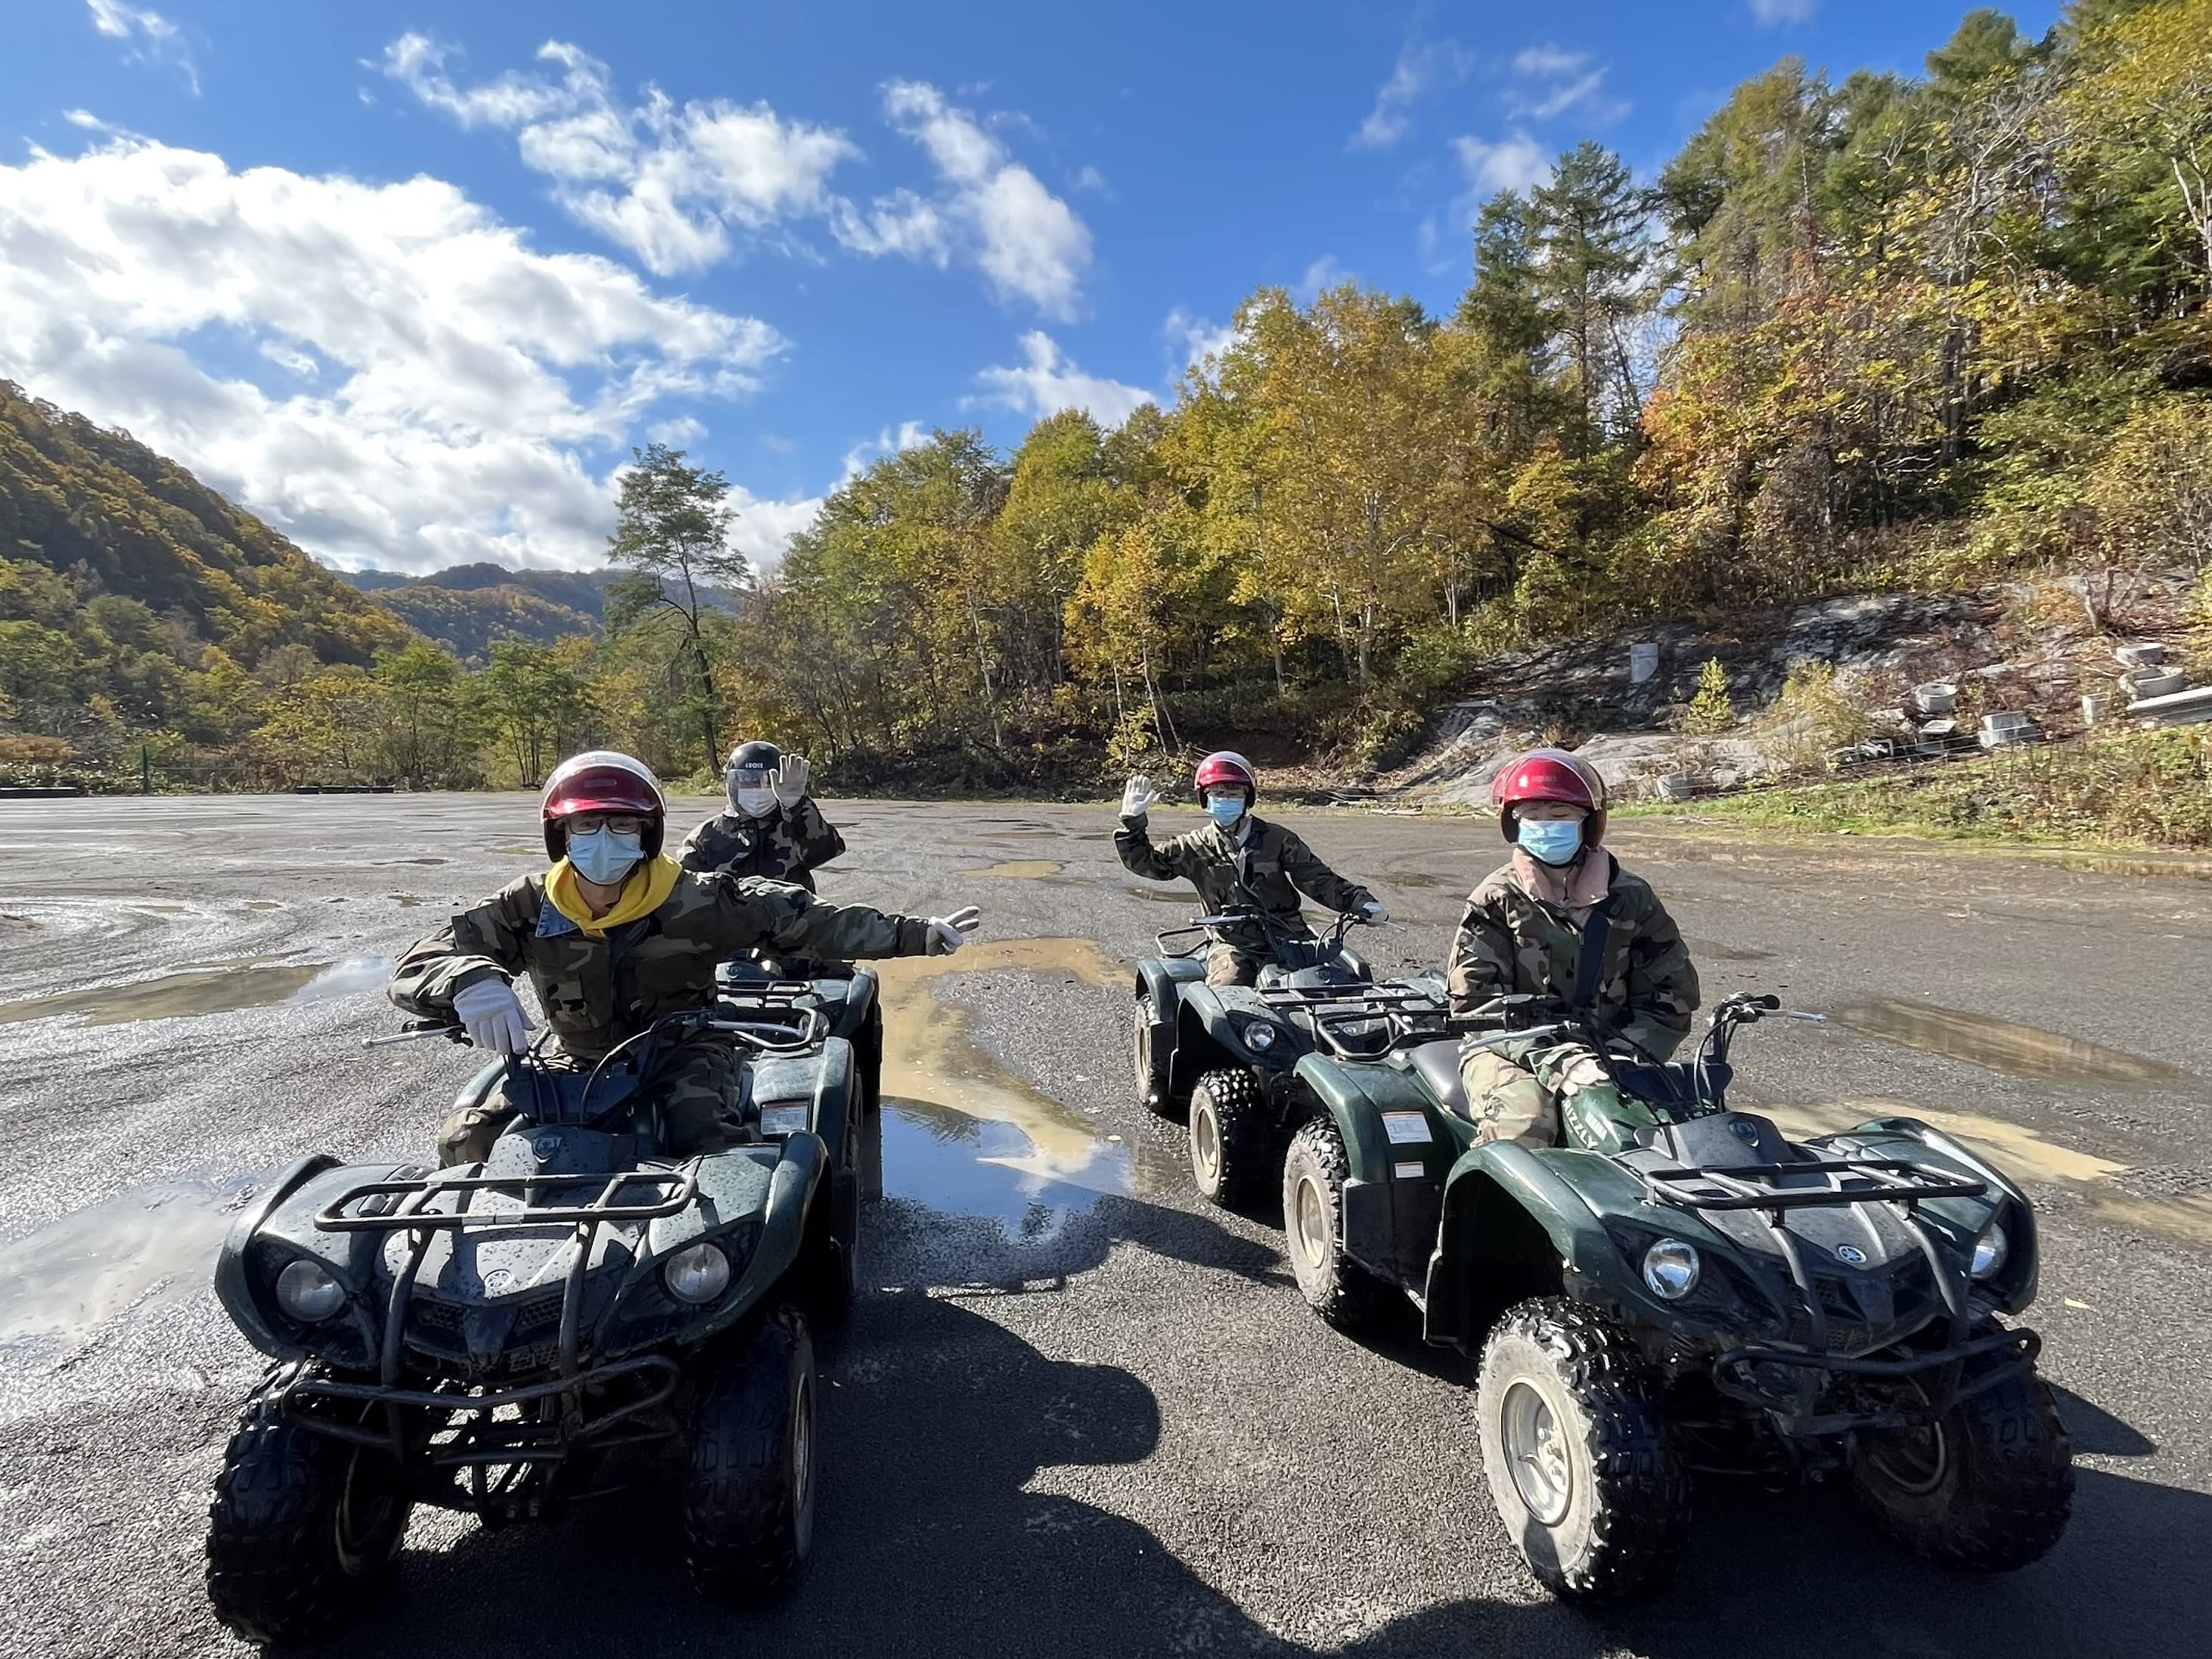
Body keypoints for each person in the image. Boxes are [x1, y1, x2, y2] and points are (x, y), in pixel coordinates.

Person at [390, 750, 979, 1165]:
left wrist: (916, 933)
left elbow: (808, 923)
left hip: (684, 1050)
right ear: (561, 835)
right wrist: (468, 980)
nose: (604, 838)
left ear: (646, 834)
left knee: (711, 1147)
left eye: (621, 824)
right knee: (468, 1141)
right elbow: (425, 958)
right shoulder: (528, 903)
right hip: (580, 1061)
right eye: (587, 825)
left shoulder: (694, 897)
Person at [1445, 749, 1699, 1150]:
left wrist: (1624, 1052)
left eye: (1561, 816)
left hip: (1613, 1048)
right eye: (1533, 816)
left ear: (1588, 823)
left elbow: (1671, 997)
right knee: (1525, 1126)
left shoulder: (1631, 898)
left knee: (1679, 1126)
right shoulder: (1495, 899)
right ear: (1514, 824)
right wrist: (1558, 1060)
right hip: (1509, 1050)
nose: (1546, 826)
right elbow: (1477, 1008)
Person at [1116, 750, 1385, 988]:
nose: (1225, 799)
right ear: (1205, 798)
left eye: (1234, 793)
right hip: (1233, 944)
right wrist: (1132, 826)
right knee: (1227, 998)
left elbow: (1318, 879)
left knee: (1339, 986)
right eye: (1217, 794)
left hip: (1291, 937)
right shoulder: (1194, 846)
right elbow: (1149, 864)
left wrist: (1361, 903)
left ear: (1248, 797)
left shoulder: (1277, 839)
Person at [678, 740, 845, 892]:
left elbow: (824, 852)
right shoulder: (705, 836)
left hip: (793, 924)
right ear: (731, 783)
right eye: (747, 781)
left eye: (767, 782)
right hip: (730, 925)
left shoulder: (794, 825)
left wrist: (797, 806)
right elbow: (685, 892)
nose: (757, 790)